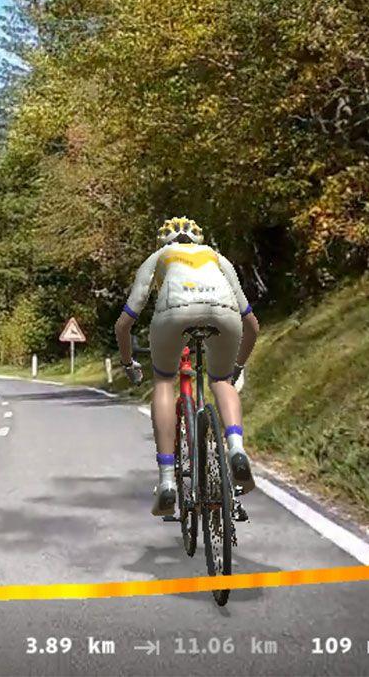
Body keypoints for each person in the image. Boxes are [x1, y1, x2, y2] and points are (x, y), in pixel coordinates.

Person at [114, 216, 259, 516]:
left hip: (173, 313)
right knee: (221, 382)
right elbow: (252, 324)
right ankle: (236, 448)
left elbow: (124, 324)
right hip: (224, 312)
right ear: (198, 241)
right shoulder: (218, 259)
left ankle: (167, 481)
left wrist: (128, 362)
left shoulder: (158, 258)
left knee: (165, 382)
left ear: (165, 242)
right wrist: (239, 366)